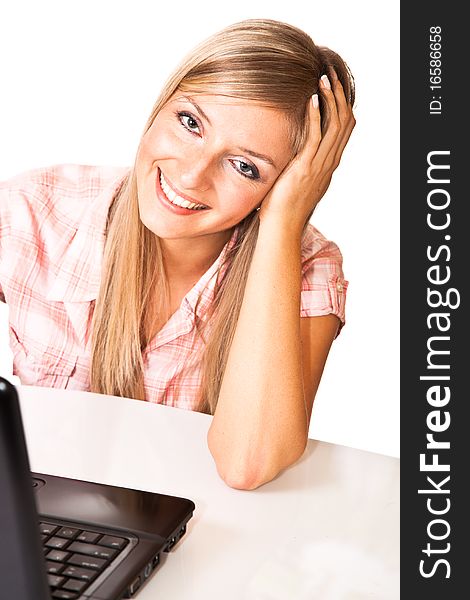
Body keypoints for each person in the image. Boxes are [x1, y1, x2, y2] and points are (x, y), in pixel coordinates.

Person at [0, 19, 355, 489]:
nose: (191, 177)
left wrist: (284, 221)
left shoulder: (307, 267)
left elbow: (249, 464)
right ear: (162, 103)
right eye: (190, 123)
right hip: (48, 533)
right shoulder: (35, 213)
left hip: (199, 540)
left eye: (245, 166)